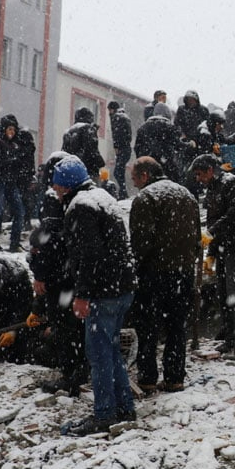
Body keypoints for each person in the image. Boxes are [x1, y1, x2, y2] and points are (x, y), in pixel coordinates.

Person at [53, 157, 137, 435]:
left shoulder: (81, 207)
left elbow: (89, 255)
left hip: (103, 292)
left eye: (56, 184)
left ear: (66, 185)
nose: (54, 189)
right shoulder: (104, 197)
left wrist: (83, 295)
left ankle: (104, 415)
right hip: (122, 288)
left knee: (99, 356)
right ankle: (124, 408)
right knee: (111, 352)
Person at [129, 157, 199, 393]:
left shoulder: (146, 198)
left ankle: (147, 379)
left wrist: (135, 268)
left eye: (135, 179)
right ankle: (174, 377)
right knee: (176, 327)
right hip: (183, 273)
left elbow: (141, 244)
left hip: (154, 275)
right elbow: (197, 238)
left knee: (148, 328)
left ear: (145, 176)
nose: (135, 184)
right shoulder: (187, 195)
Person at [28, 152, 87, 396]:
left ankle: (70, 374)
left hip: (59, 275)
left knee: (65, 327)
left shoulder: (55, 200)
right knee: (75, 327)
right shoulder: (78, 198)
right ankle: (81, 369)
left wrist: (40, 272)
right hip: (72, 273)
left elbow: (47, 240)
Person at [193, 154, 235, 359]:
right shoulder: (212, 188)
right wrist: (210, 253)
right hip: (222, 248)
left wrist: (213, 232)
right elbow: (212, 220)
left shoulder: (233, 183)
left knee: (234, 294)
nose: (199, 179)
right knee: (223, 294)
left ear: (210, 170)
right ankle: (229, 340)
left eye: (201, 174)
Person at [0, 114, 34, 253]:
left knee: (19, 211)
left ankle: (14, 242)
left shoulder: (14, 145)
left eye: (13, 130)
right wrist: (10, 162)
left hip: (10, 182)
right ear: (4, 129)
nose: (11, 133)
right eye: (9, 129)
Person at [134, 102, 182, 184]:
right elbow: (177, 145)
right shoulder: (170, 127)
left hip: (146, 167)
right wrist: (190, 145)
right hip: (166, 166)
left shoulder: (143, 128)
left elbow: (137, 148)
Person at [61, 107, 105, 179]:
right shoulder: (87, 129)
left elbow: (64, 152)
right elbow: (92, 150)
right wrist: (100, 162)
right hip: (87, 170)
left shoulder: (68, 132)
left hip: (71, 171)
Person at [108, 101, 133, 199]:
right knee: (120, 171)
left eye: (109, 110)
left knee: (117, 172)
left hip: (123, 148)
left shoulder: (117, 118)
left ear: (112, 109)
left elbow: (117, 134)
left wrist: (117, 146)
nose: (109, 112)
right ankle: (123, 192)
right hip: (126, 148)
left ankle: (123, 193)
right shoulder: (124, 117)